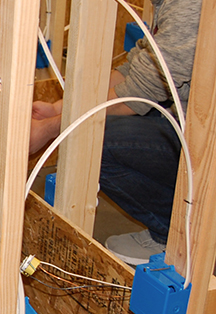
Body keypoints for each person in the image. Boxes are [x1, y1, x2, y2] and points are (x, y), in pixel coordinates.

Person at [29, 0, 202, 266]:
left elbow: (135, 97)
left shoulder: (189, 8)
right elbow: (133, 71)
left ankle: (176, 235)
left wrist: (50, 129)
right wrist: (57, 108)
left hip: (206, 144)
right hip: (192, 123)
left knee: (95, 140)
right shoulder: (171, 3)